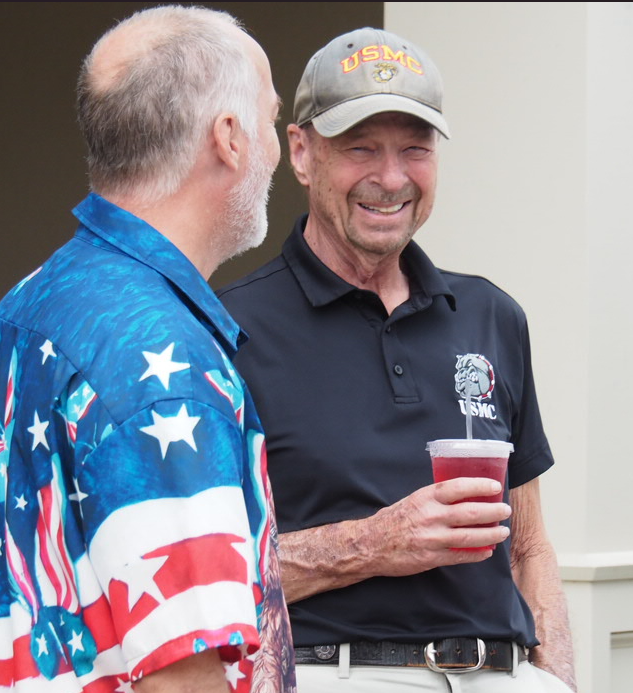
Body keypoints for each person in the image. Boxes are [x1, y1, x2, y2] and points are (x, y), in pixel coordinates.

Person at [0, 5, 296, 693]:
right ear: (228, 138)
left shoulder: (24, 304)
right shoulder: (164, 364)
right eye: (271, 119)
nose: (276, 150)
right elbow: (181, 672)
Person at [218, 26, 576, 693]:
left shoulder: (491, 316)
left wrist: (557, 680)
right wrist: (375, 543)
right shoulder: (228, 330)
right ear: (302, 152)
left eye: (415, 148)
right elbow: (208, 574)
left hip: (505, 672)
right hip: (336, 672)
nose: (391, 178)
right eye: (361, 148)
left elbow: (529, 547)